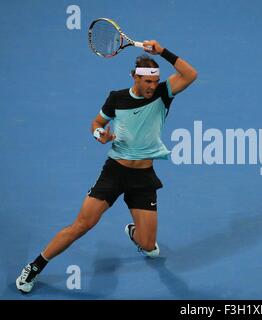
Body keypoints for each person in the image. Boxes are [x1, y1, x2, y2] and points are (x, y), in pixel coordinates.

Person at [16, 40, 197, 293]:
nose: (152, 86)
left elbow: (191, 74)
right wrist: (99, 133)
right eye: (148, 82)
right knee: (82, 225)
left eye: (155, 82)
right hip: (115, 172)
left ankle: (135, 232)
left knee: (148, 245)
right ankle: (35, 266)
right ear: (135, 77)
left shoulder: (163, 94)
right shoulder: (117, 98)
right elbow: (97, 122)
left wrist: (163, 51)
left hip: (143, 177)